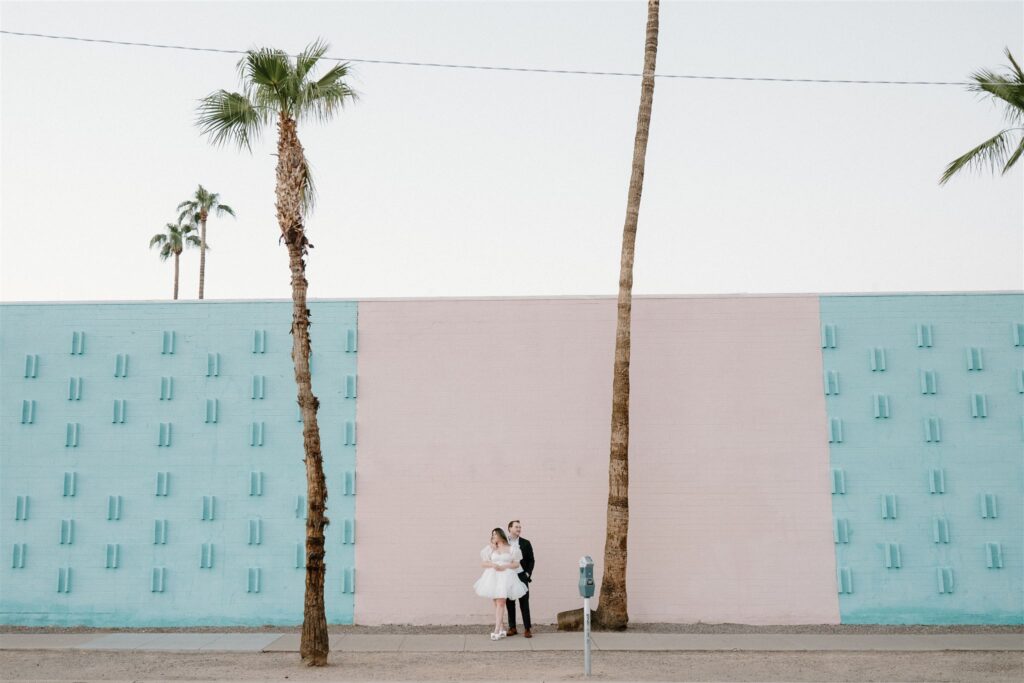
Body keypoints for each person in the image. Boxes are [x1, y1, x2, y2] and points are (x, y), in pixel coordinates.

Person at [474, 527, 528, 640]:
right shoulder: (491, 548)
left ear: (500, 535)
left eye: (495, 534)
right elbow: (483, 564)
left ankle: (497, 630)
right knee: (497, 603)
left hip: (506, 577)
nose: (493, 536)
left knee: (501, 602)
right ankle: (502, 627)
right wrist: (493, 565)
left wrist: (504, 566)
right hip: (493, 577)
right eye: (492, 535)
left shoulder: (512, 549)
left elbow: (516, 564)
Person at [505, 519, 535, 638]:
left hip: (521, 575)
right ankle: (512, 627)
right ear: (510, 528)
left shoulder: (526, 543)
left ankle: (527, 628)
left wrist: (527, 574)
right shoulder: (503, 542)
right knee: (510, 602)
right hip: (508, 576)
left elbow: (531, 560)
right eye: (516, 527)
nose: (519, 529)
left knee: (524, 602)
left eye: (519, 527)